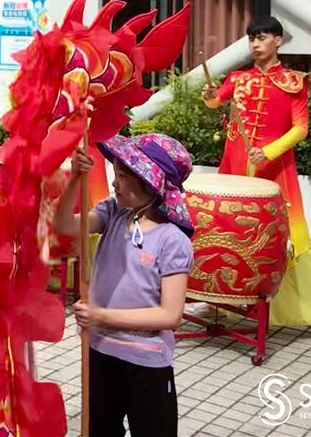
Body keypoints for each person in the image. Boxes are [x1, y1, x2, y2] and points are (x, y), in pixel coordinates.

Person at [202, 16, 311, 347]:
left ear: (278, 41)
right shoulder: (239, 78)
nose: (255, 44)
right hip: (235, 169)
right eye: (251, 39)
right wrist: (209, 95)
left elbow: (300, 127)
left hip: (276, 173)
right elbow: (217, 101)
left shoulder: (295, 81)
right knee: (230, 234)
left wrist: (270, 151)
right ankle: (224, 300)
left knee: (293, 241)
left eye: (261, 38)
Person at [54, 133, 194, 437]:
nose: (114, 183)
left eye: (122, 176)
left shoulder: (172, 240)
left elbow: (170, 315)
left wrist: (101, 316)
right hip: (100, 351)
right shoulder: (113, 213)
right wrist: (74, 180)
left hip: (146, 361)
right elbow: (65, 226)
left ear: (150, 182)